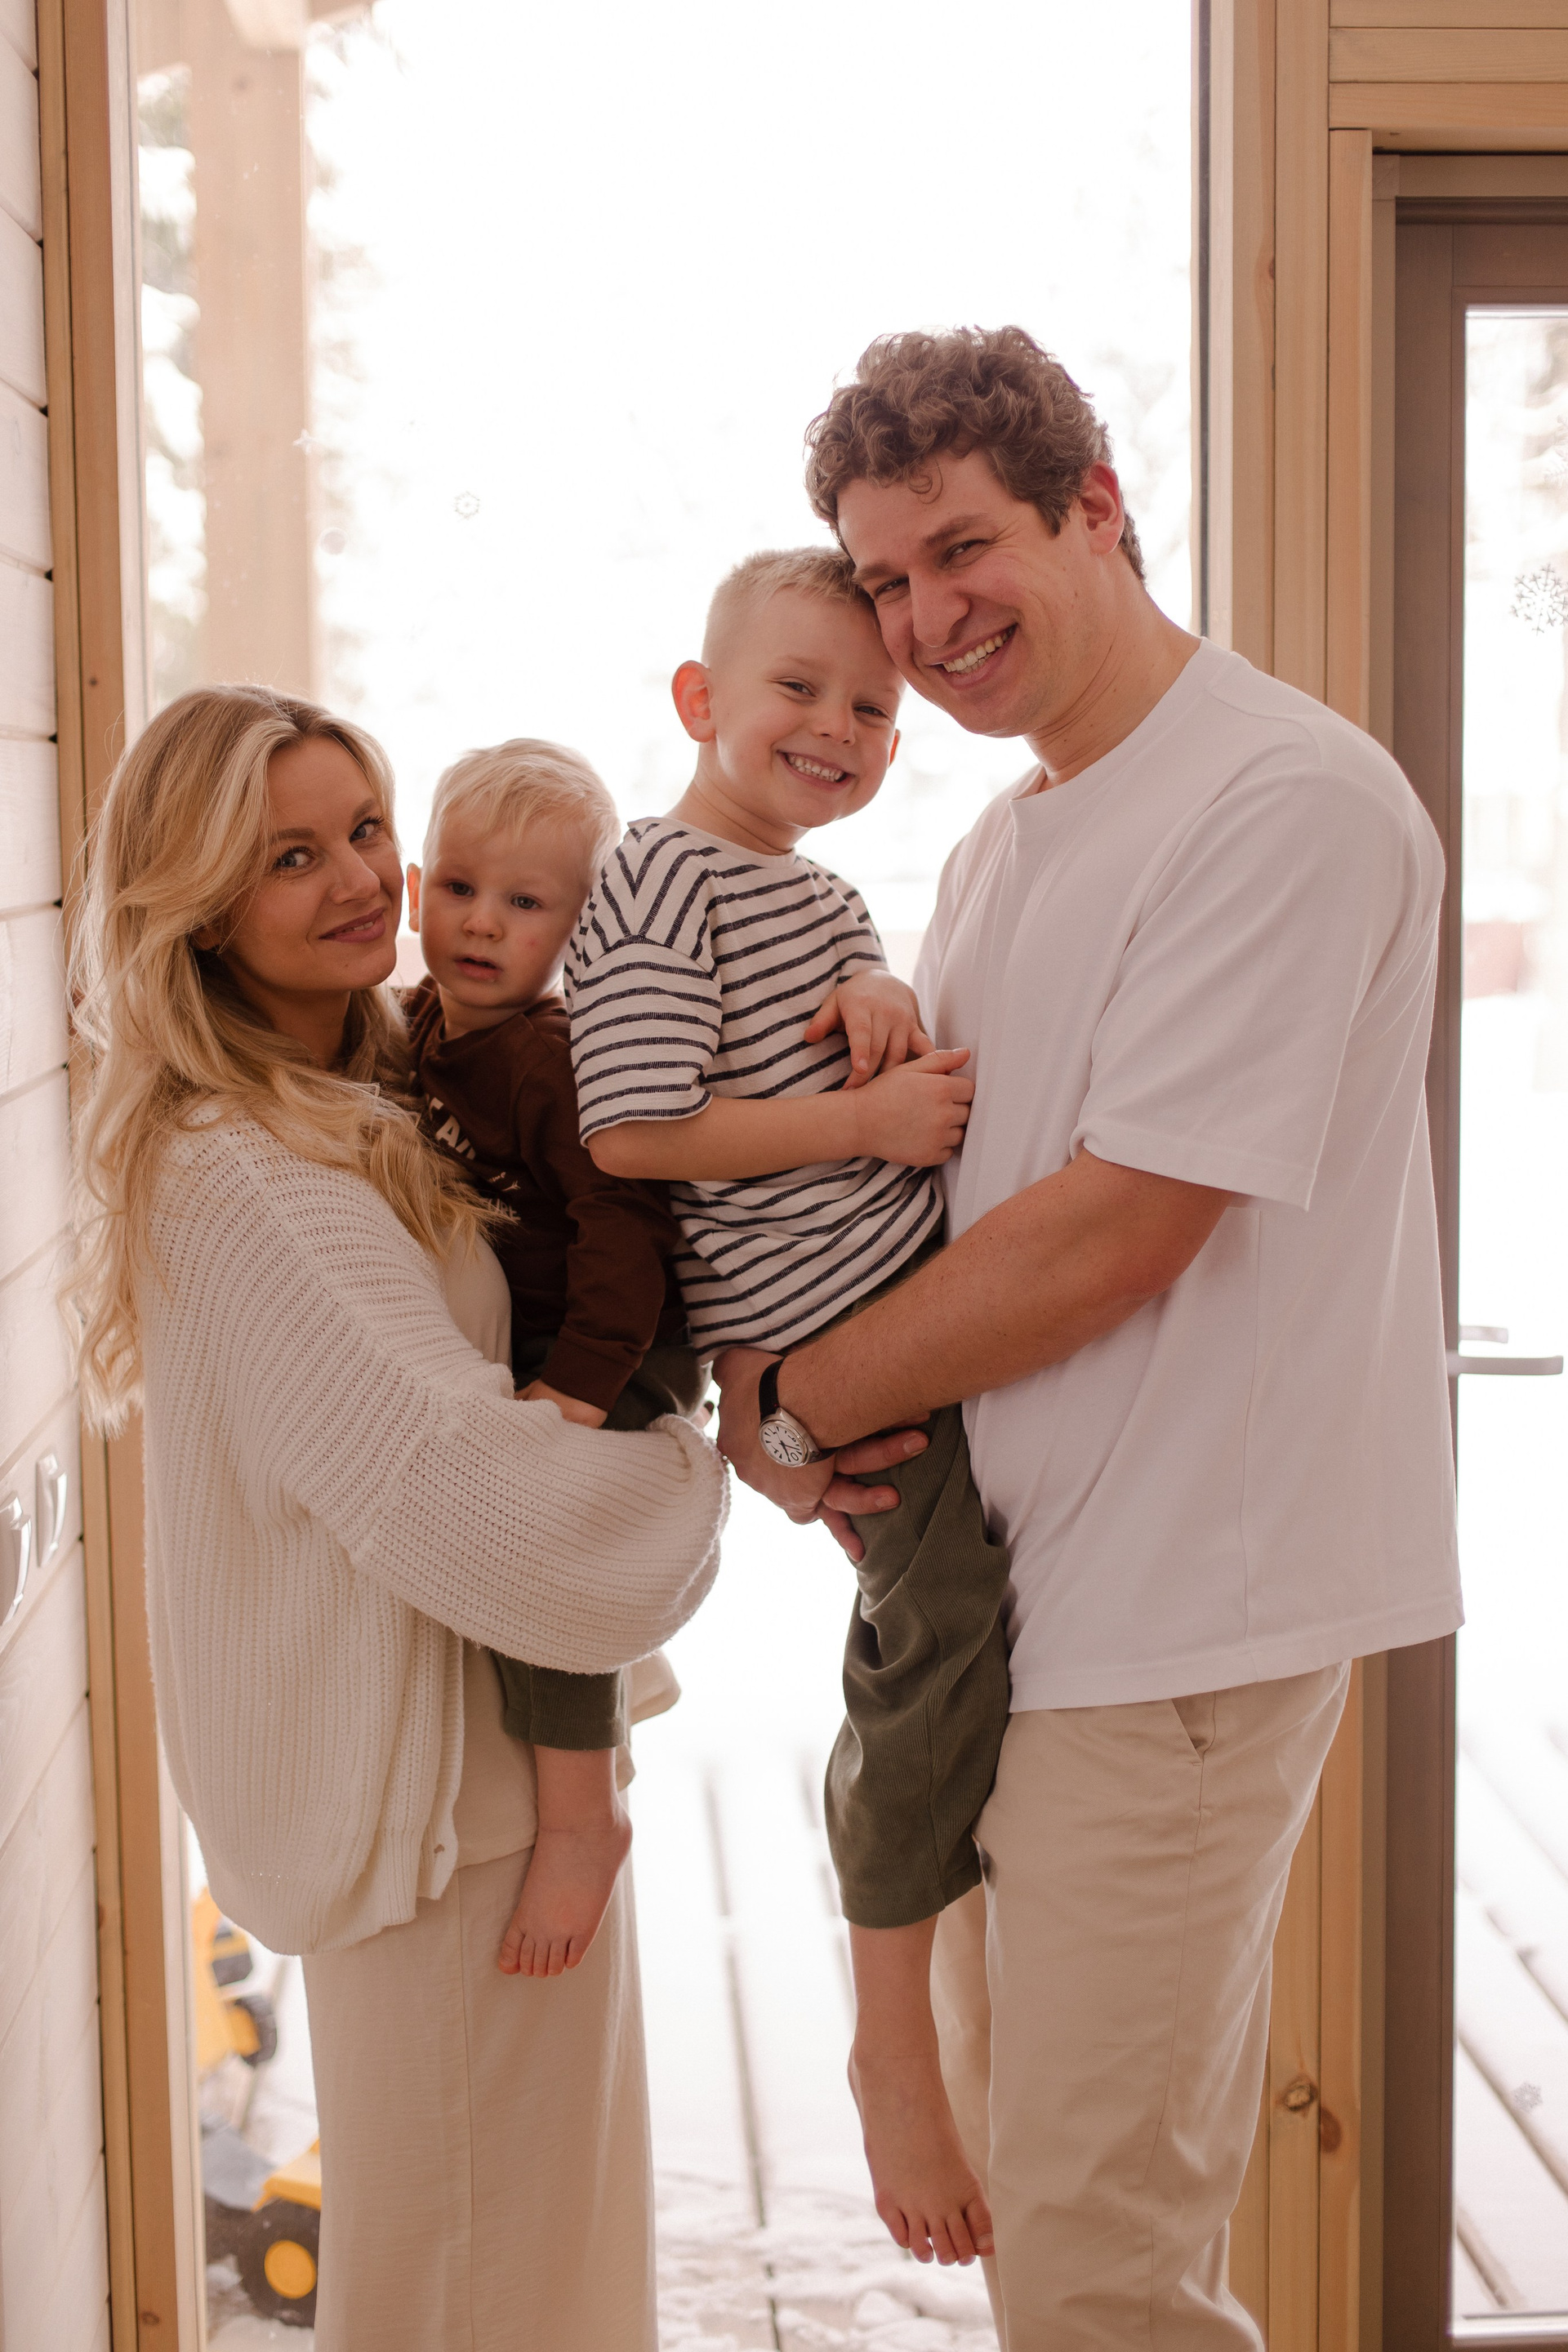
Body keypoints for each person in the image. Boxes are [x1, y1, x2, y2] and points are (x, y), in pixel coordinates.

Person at [716, 327, 1462, 2349]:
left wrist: (790, 1412)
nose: (923, 620)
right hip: (1022, 1609)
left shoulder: (1281, 799)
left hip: (1180, 1622)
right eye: (884, 580)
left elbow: (1119, 1229)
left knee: (1101, 2265)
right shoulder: (1005, 842)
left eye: (962, 549)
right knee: (1040, 2220)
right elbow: (940, 1205)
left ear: (1099, 510)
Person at [67, 685, 728, 2352]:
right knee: (477, 2295)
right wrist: (710, 1467)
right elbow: (485, 1510)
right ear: (197, 907)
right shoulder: (246, 1170)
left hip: (492, 1779)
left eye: (365, 828)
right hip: (441, 1819)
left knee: (547, 2272)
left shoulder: (383, 1084)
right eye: (291, 855)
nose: (365, 878)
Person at [568, 546, 1006, 2268]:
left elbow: (839, 1009)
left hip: (908, 1299)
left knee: (961, 1630)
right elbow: (634, 1131)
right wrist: (864, 1128)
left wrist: (883, 994)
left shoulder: (811, 890)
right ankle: (891, 2038)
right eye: (798, 691)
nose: (838, 728)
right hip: (830, 1335)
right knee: (933, 1642)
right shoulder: (658, 876)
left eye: (874, 708)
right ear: (700, 701)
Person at [403, 735, 705, 1980]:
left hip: (615, 1340)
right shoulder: (416, 1027)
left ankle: (584, 1815)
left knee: (545, 1540)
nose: (482, 922)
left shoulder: (549, 1058)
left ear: (580, 935)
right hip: (533, 1335)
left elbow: (628, 1231)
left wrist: (580, 1389)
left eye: (525, 904)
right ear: (416, 890)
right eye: (459, 887)